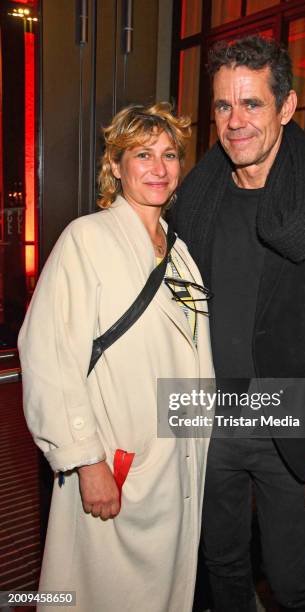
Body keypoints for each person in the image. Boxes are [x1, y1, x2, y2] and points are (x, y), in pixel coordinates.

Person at [171, 36, 305, 611]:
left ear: (287, 107)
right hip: (207, 418)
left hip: (292, 421)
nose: (235, 122)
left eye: (253, 104)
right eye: (222, 106)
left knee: (289, 580)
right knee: (221, 566)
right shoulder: (195, 200)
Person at [18, 103, 214, 612]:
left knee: (166, 592)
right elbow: (48, 357)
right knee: (102, 594)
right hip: (117, 463)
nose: (159, 167)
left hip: (177, 464)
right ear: (115, 166)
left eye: (170, 154)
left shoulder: (179, 250)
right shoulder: (86, 240)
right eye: (142, 154)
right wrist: (86, 460)